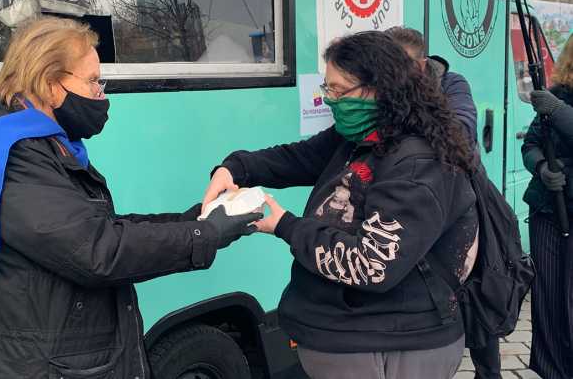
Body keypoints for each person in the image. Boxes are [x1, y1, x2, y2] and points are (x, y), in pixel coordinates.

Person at [0, 17, 261, 379]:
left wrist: (197, 219)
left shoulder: (42, 143)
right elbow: (98, 251)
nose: (102, 94)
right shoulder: (15, 154)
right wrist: (206, 236)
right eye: (93, 81)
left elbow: (98, 229)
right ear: (50, 84)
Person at [202, 31, 479, 379]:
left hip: (393, 342)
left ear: (382, 88)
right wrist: (236, 168)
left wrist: (285, 225)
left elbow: (372, 264)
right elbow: (297, 157)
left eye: (338, 90)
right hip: (348, 332)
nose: (330, 100)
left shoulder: (416, 163)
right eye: (326, 88)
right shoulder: (359, 135)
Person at [386, 26, 502, 379]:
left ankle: (489, 372)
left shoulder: (452, 84)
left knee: (476, 300)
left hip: (460, 210)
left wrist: (414, 107)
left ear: (420, 67)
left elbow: (463, 134)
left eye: (397, 68)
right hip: (414, 209)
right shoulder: (383, 90)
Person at [521, 34, 573, 379]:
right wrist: (541, 167)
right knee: (549, 298)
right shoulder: (557, 94)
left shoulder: (556, 104)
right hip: (548, 211)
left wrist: (559, 112)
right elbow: (531, 143)